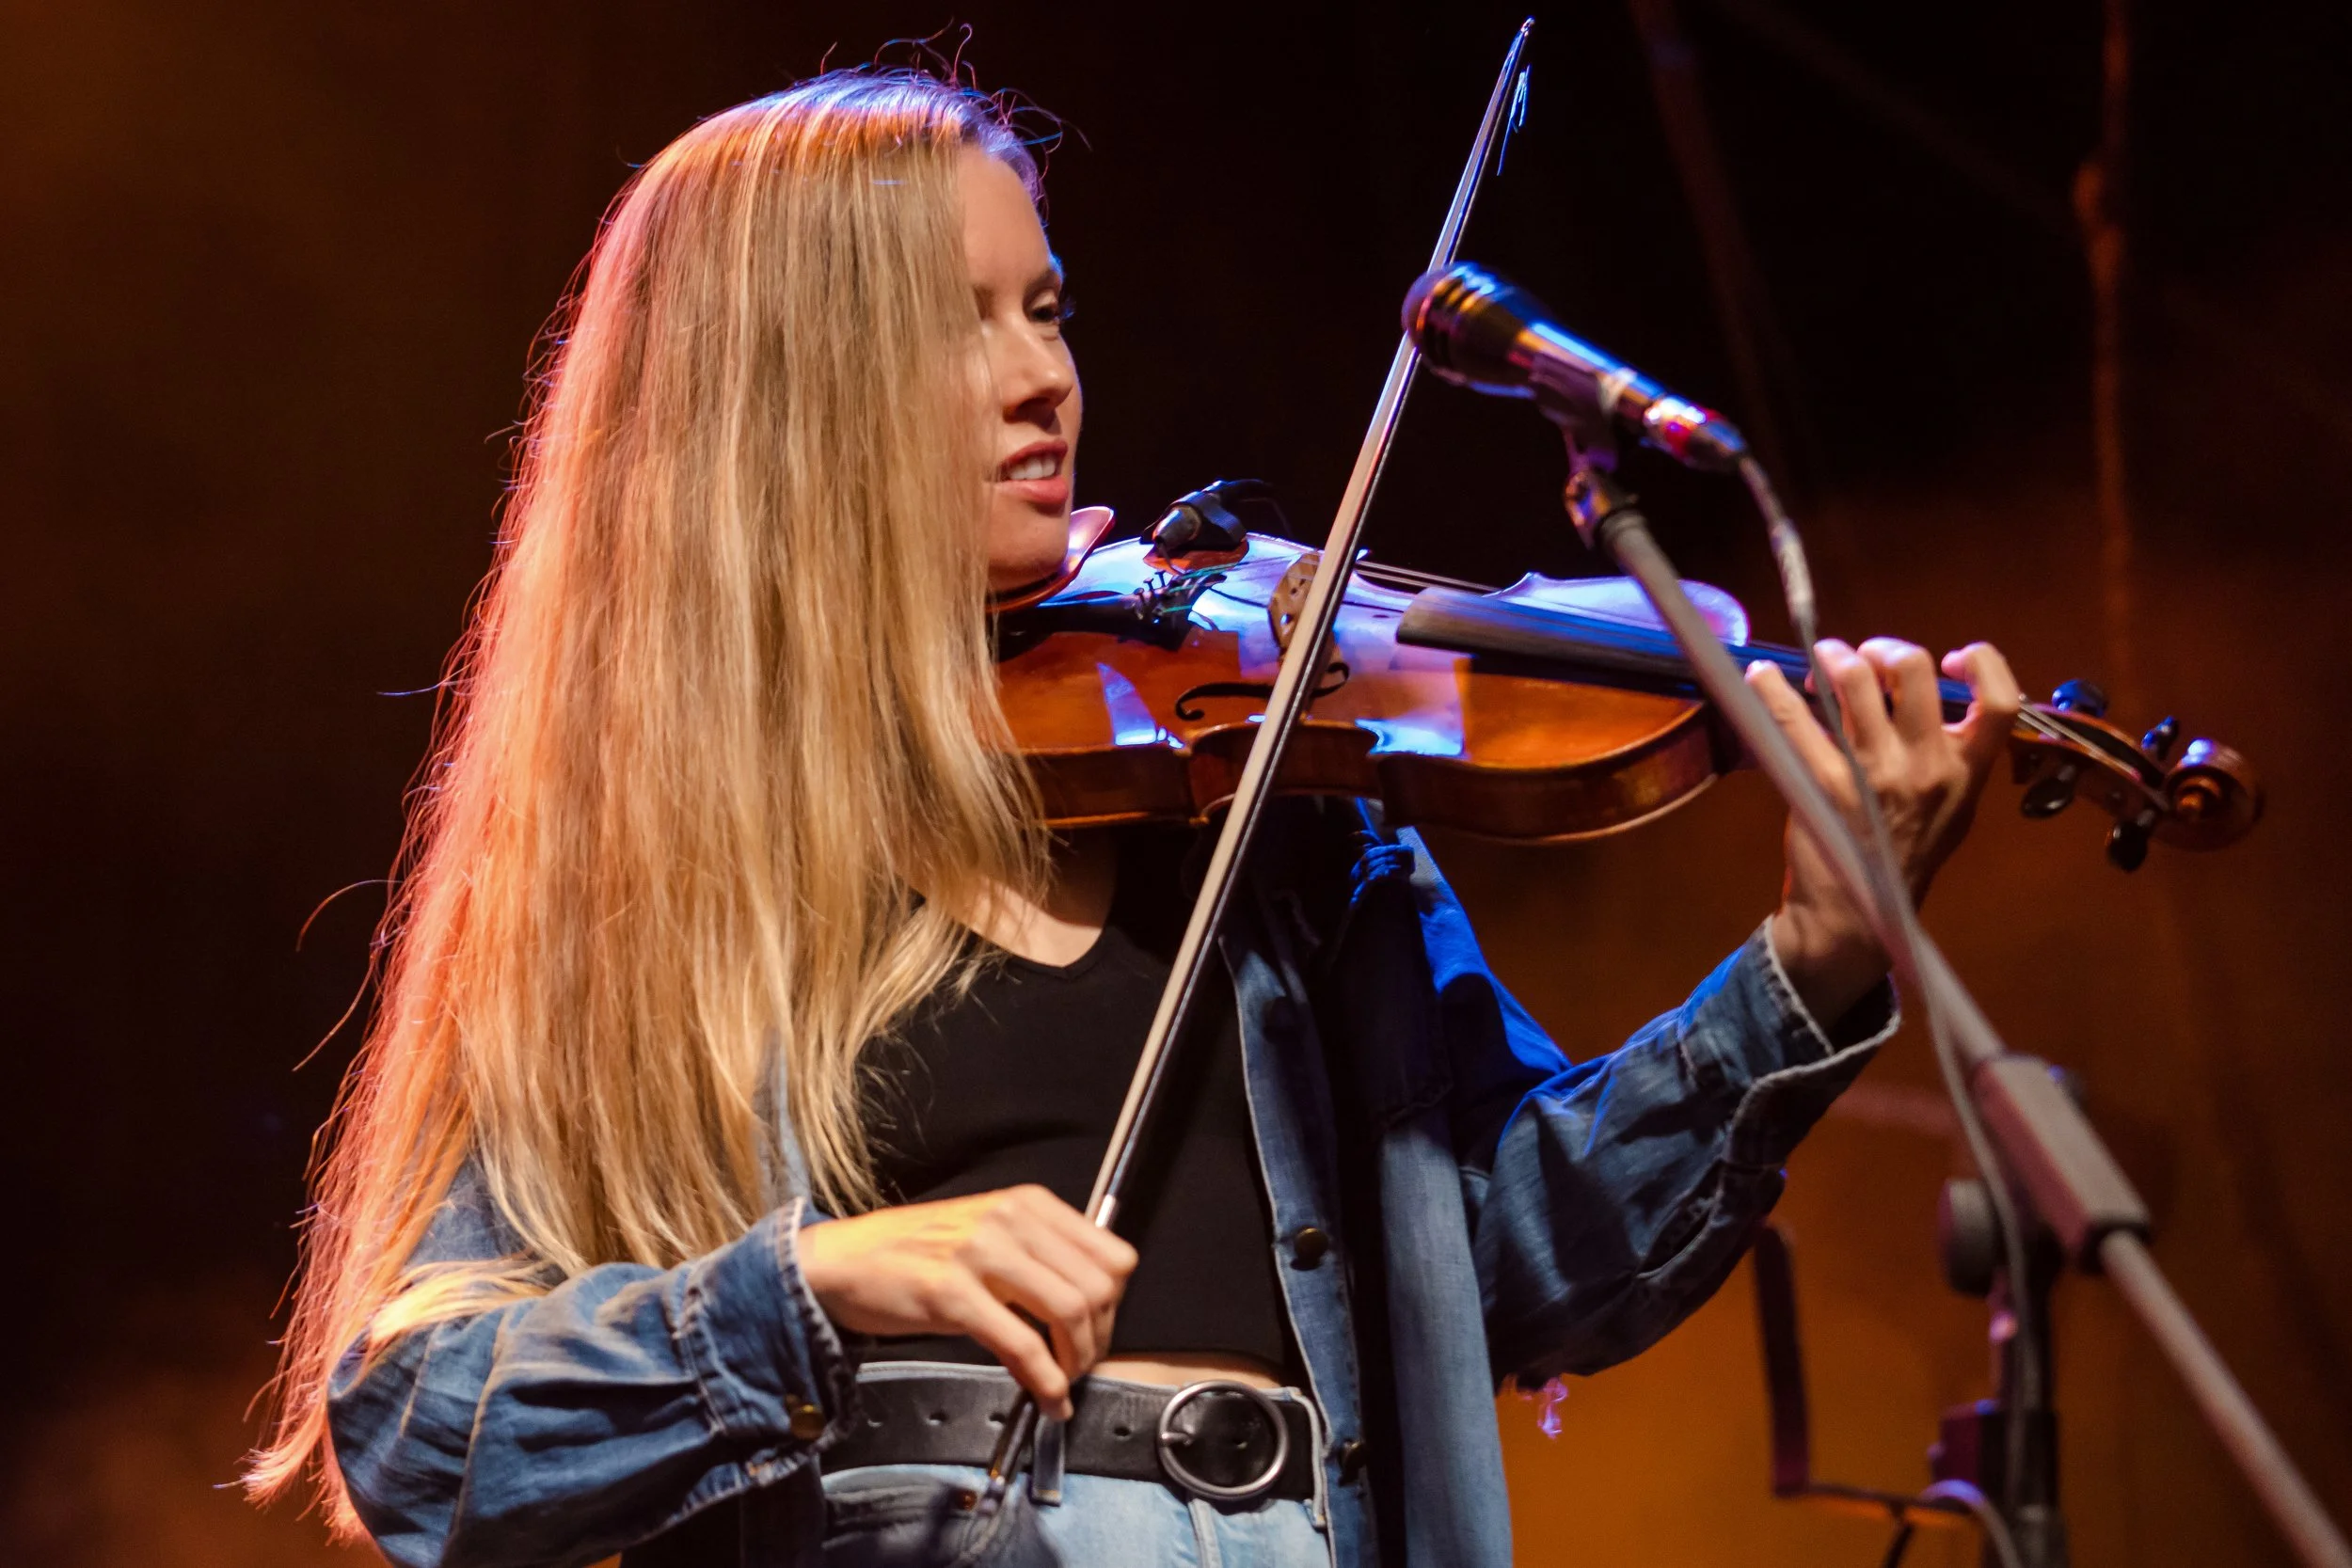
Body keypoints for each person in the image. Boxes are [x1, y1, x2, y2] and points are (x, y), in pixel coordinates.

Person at [247, 66, 2022, 1568]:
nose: (1045, 380)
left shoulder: (1281, 827)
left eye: (1045, 306)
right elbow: (420, 1428)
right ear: (779, 411)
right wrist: (819, 1281)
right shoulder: (665, 892)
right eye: (955, 326)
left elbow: (1519, 1260)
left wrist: (1816, 964)